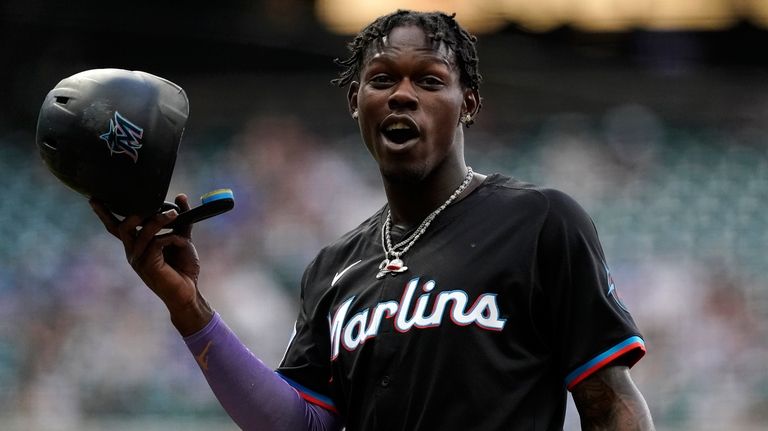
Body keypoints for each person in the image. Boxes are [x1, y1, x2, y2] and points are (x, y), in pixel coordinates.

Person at [91, 10, 655, 431]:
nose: (402, 95)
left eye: (430, 80)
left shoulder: (540, 222)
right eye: (382, 79)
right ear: (356, 102)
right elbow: (301, 426)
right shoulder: (333, 269)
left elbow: (608, 402)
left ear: (470, 103)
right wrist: (189, 310)